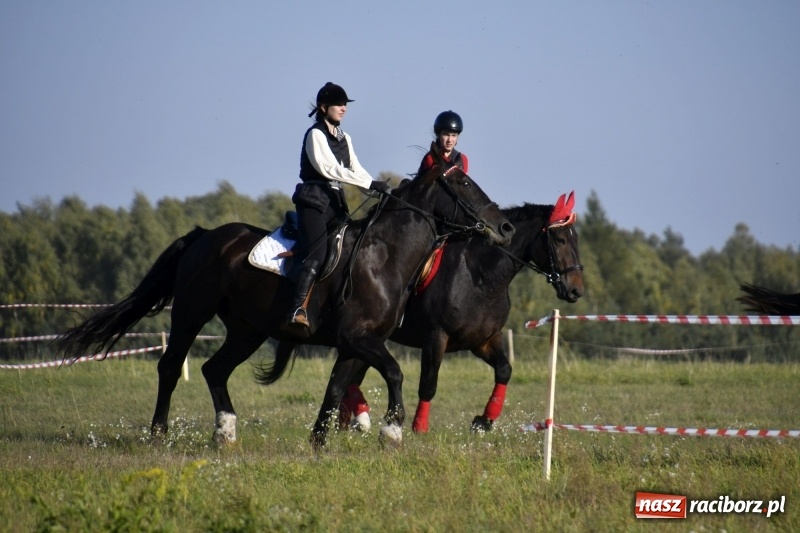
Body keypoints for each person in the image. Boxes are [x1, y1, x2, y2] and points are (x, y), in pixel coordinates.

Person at [287, 82, 390, 329]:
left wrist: (376, 189)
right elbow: (330, 169)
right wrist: (368, 182)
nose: (343, 108)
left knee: (353, 247)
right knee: (319, 254)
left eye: (345, 105)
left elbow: (355, 168)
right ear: (324, 108)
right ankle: (297, 308)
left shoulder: (345, 137)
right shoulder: (315, 135)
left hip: (335, 202)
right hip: (313, 201)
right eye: (338, 104)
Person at [417, 110, 468, 175]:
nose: (450, 140)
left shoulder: (463, 159)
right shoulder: (430, 158)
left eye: (453, 135)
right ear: (438, 135)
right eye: (446, 135)